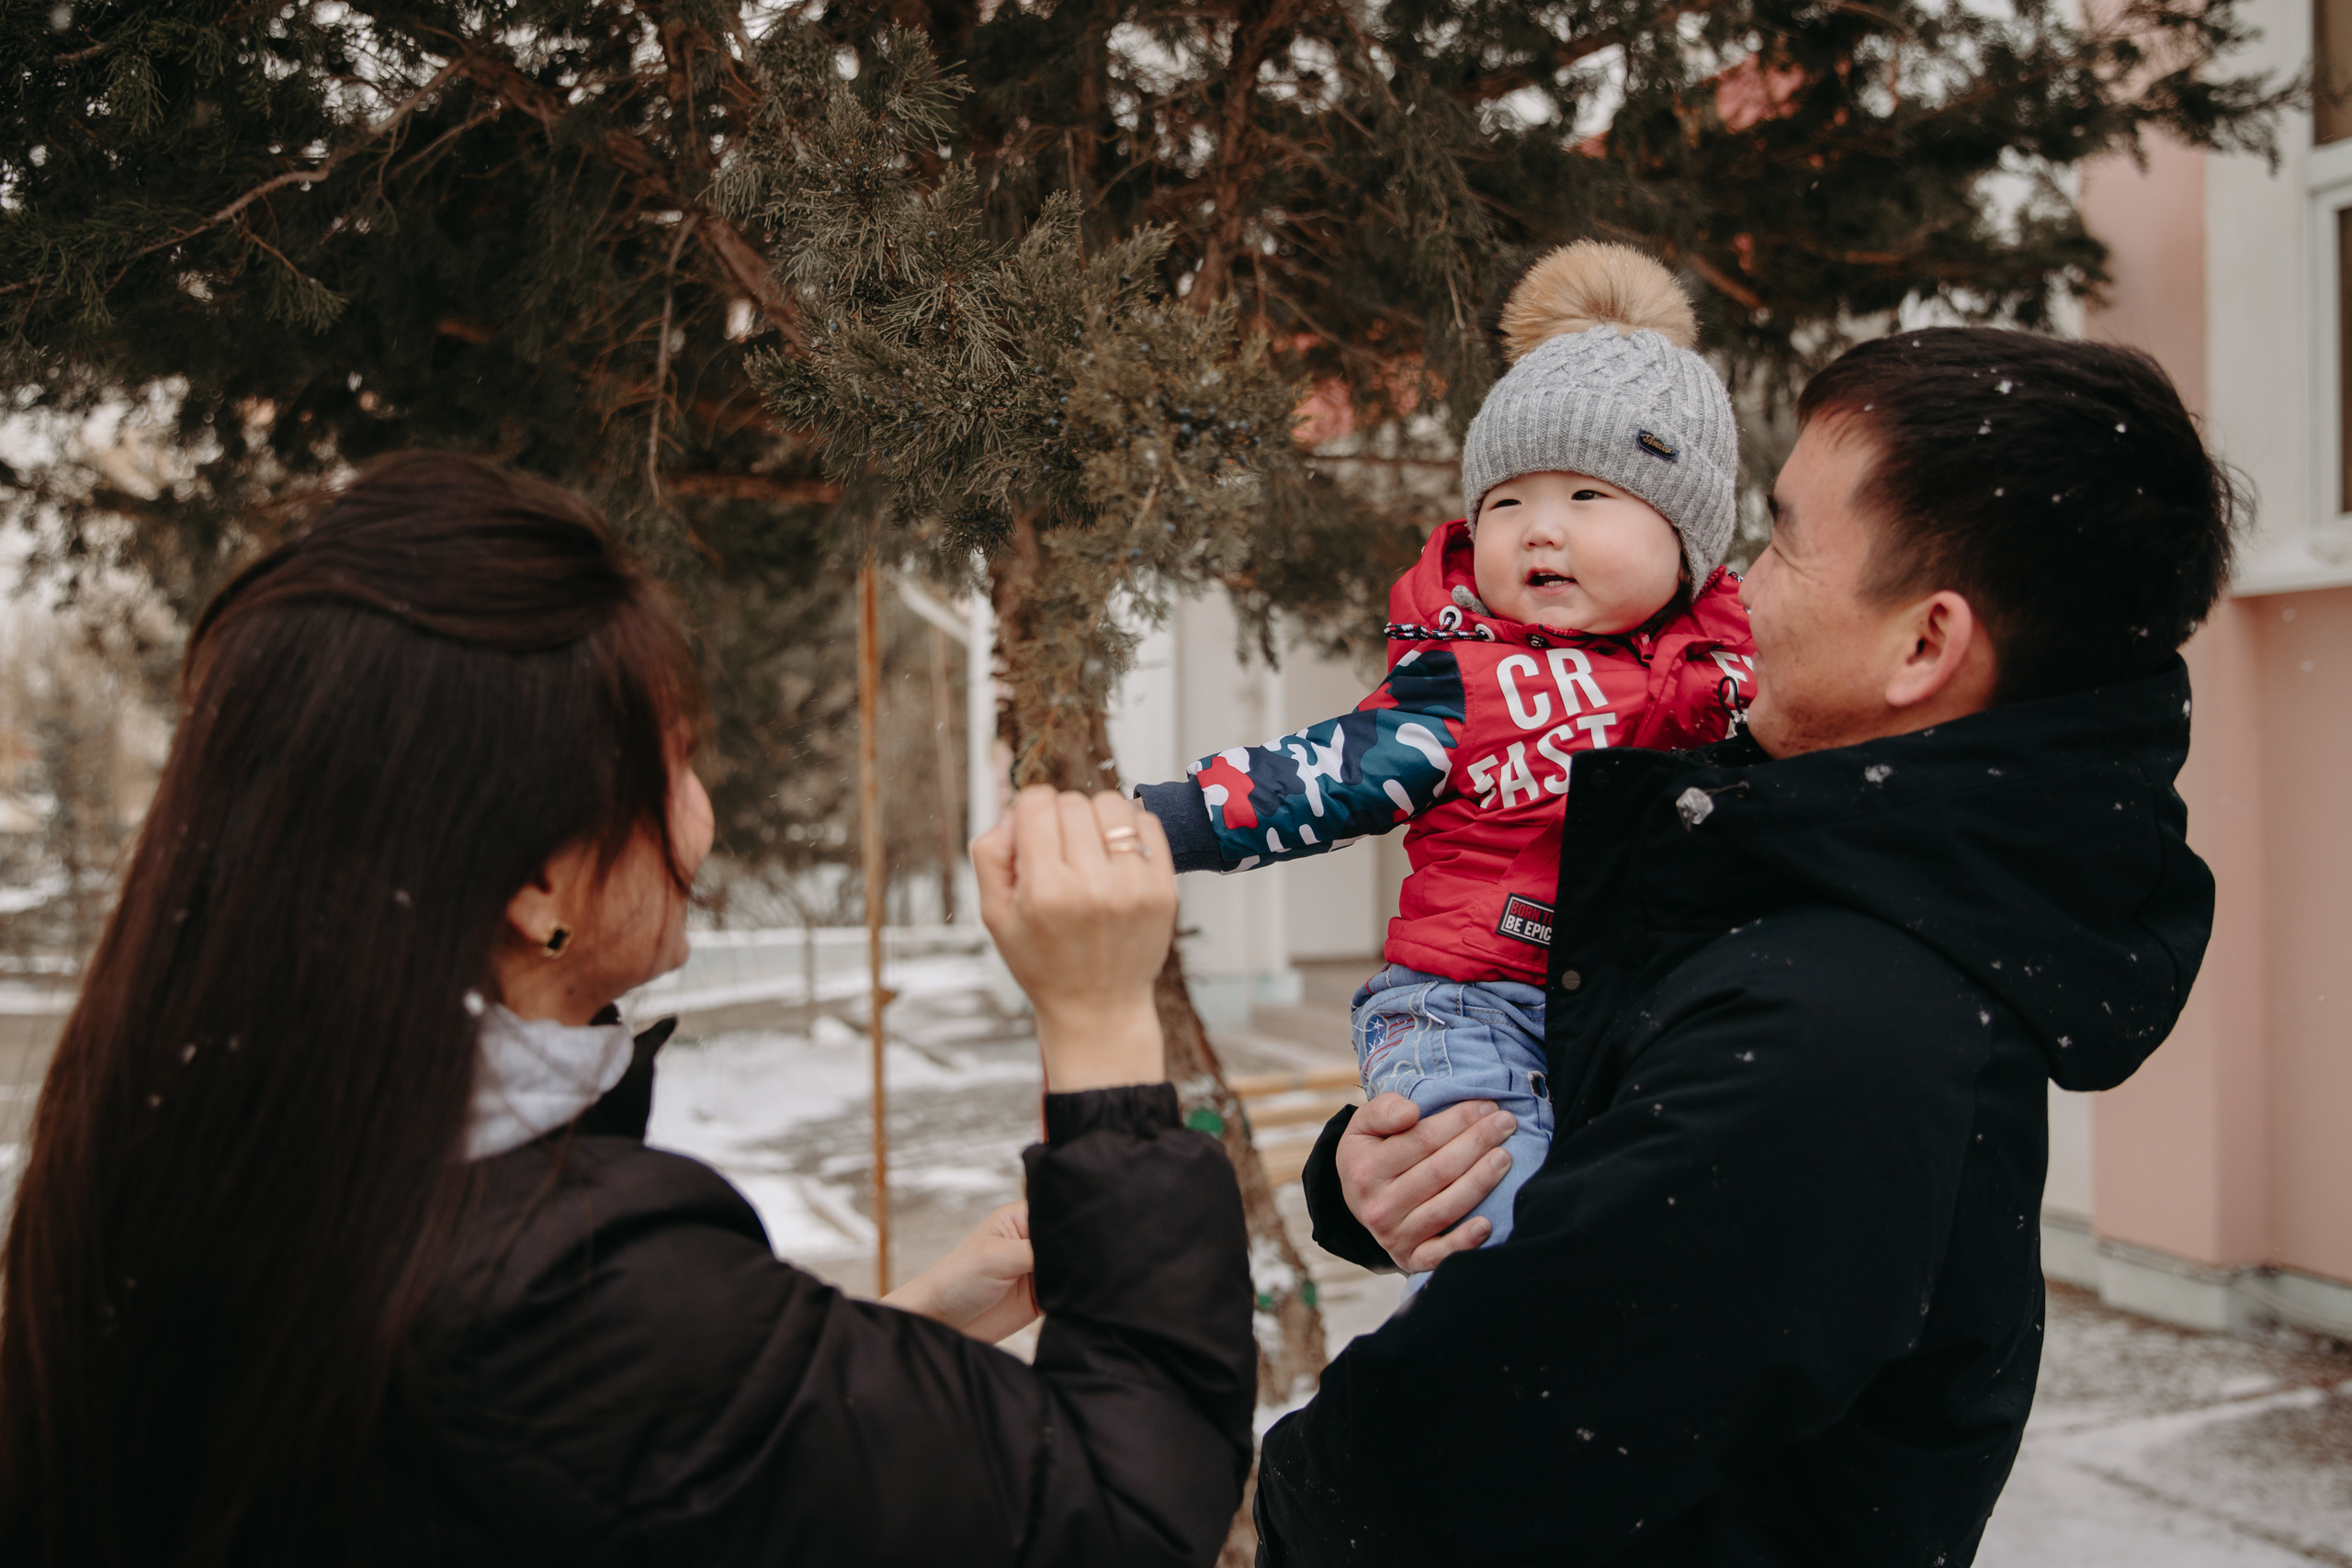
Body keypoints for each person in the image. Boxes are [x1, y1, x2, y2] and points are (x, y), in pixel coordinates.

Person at [0, 453, 1256, 1567]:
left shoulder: (225, 1154)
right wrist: (1099, 1019)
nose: (702, 818)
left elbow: (565, 1471)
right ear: (538, 884)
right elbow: (1123, 1506)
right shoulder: (570, 1288)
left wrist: (859, 1354)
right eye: (675, 759)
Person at [1255, 327, 2235, 1565]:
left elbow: (1444, 1462)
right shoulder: (1796, 859)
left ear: (1925, 643)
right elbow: (1611, 1136)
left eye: (1781, 540)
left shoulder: (1839, 1034)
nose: (1743, 582)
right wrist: (1374, 1176)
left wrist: (1298, 1487)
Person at [1136, 243, 1753, 1280]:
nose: (1538, 529)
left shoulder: (1739, 685)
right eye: (1506, 502)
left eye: (1588, 498)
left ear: (1686, 536)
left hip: (1639, 1012)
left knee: (1657, 1237)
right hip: (1469, 1007)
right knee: (1495, 1221)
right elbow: (1320, 772)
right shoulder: (1466, 682)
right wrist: (1157, 825)